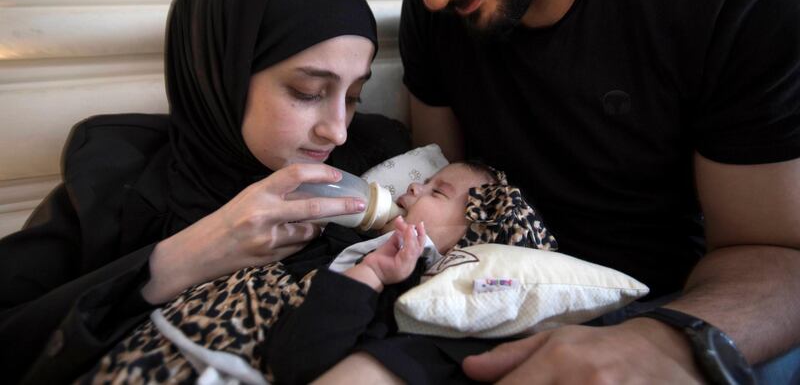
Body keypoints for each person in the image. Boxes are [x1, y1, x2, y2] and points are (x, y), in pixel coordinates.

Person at [307, 0, 800, 383]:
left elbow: (774, 253)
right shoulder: (432, 17)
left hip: (676, 306)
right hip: (492, 297)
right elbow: (441, 185)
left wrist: (663, 340)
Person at [0, 0, 412, 384]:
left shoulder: (381, 162)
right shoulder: (112, 191)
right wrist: (188, 256)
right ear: (222, 73)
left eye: (354, 95)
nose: (337, 128)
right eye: (308, 91)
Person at [80, 161, 557, 383]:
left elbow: (298, 359)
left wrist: (372, 274)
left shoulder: (414, 298)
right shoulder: (357, 236)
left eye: (437, 191)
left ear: (472, 241)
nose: (415, 183)